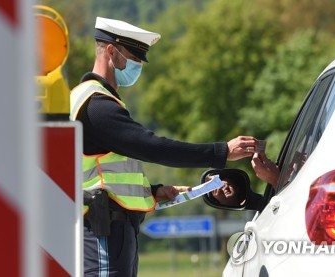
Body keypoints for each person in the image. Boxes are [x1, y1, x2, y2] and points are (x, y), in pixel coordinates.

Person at [70, 17, 259, 277]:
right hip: (103, 232)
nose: (138, 66)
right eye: (134, 57)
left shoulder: (92, 100)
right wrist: (221, 152)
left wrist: (153, 191)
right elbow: (153, 147)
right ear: (111, 52)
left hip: (109, 229)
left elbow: (102, 172)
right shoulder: (97, 105)